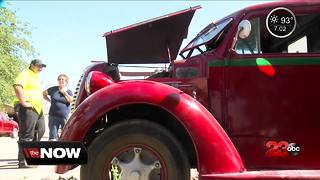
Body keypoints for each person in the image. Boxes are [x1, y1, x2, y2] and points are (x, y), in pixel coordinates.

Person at [13, 59, 46, 168]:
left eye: (42, 66)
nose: (40, 68)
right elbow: (17, 86)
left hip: (38, 109)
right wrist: (23, 102)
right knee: (27, 135)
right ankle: (23, 161)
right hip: (28, 108)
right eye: (38, 66)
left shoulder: (35, 76)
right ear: (31, 65)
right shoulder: (25, 73)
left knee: (40, 131)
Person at [43, 74, 73, 141]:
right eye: (59, 79)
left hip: (65, 117)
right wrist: (49, 100)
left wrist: (64, 93)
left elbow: (71, 100)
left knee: (66, 135)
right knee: (53, 136)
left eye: (63, 79)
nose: (61, 81)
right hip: (53, 116)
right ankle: (52, 149)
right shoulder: (53, 89)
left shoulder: (69, 91)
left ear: (66, 82)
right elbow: (43, 94)